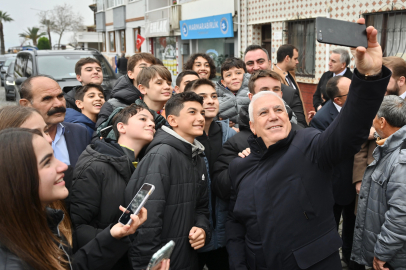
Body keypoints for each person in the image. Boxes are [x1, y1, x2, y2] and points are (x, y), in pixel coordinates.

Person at [226, 18, 390, 269]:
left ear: (288, 116)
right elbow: (236, 224)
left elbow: (348, 129)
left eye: (278, 110)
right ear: (253, 127)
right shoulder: (239, 166)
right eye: (263, 113)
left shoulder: (310, 144)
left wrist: (368, 77)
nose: (273, 116)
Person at [0, 128, 148, 270]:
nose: (63, 166)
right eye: (47, 162)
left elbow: (71, 266)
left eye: (54, 157)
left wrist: (112, 237)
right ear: (17, 178)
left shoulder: (44, 224)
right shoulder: (12, 263)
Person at [125, 92, 210, 270]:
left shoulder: (197, 157)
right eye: (192, 112)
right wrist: (147, 265)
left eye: (202, 113)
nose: (200, 118)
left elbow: (201, 207)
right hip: (162, 263)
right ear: (172, 120)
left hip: (185, 257)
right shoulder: (162, 154)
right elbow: (145, 217)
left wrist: (202, 229)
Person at [70, 104, 155, 270]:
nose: (151, 124)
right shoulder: (95, 165)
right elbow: (77, 227)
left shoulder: (144, 164)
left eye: (152, 121)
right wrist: (114, 237)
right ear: (121, 127)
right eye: (143, 119)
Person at [212, 69, 304, 201]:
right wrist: (248, 162)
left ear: (282, 94)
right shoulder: (237, 142)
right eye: (264, 90)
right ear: (251, 97)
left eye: (276, 89)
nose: (270, 94)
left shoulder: (300, 134)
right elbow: (220, 186)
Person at [310, 76, 364, 270]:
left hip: (355, 179)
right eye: (351, 92)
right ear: (337, 100)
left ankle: (350, 259)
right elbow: (326, 155)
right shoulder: (321, 120)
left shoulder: (357, 107)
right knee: (330, 227)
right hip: (334, 185)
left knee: (352, 224)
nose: (356, 93)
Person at [185, 79, 236, 270]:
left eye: (214, 96)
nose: (211, 100)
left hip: (225, 231)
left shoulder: (229, 134)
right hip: (194, 233)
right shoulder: (184, 138)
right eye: (203, 97)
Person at [352, 95, 406, 270]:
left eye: (373, 117)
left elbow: (400, 216)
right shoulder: (391, 146)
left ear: (382, 122)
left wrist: (382, 253)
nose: (372, 122)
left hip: (394, 259)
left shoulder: (400, 161)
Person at [19, 75, 90, 194]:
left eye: (60, 96)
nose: (58, 104)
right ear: (25, 104)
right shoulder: (13, 142)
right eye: (47, 98)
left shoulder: (80, 133)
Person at [244, 45, 306, 126]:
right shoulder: (234, 94)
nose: (255, 67)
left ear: (269, 63)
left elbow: (301, 126)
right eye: (250, 63)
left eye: (260, 61)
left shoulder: (289, 94)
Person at [96, 52, 157, 128]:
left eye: (152, 67)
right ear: (130, 74)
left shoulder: (162, 99)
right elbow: (99, 136)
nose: (149, 70)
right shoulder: (113, 105)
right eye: (143, 67)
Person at [216, 57, 250, 129]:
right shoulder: (217, 99)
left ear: (246, 75)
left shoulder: (253, 94)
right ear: (223, 82)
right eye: (228, 75)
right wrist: (221, 124)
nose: (234, 77)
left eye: (238, 73)